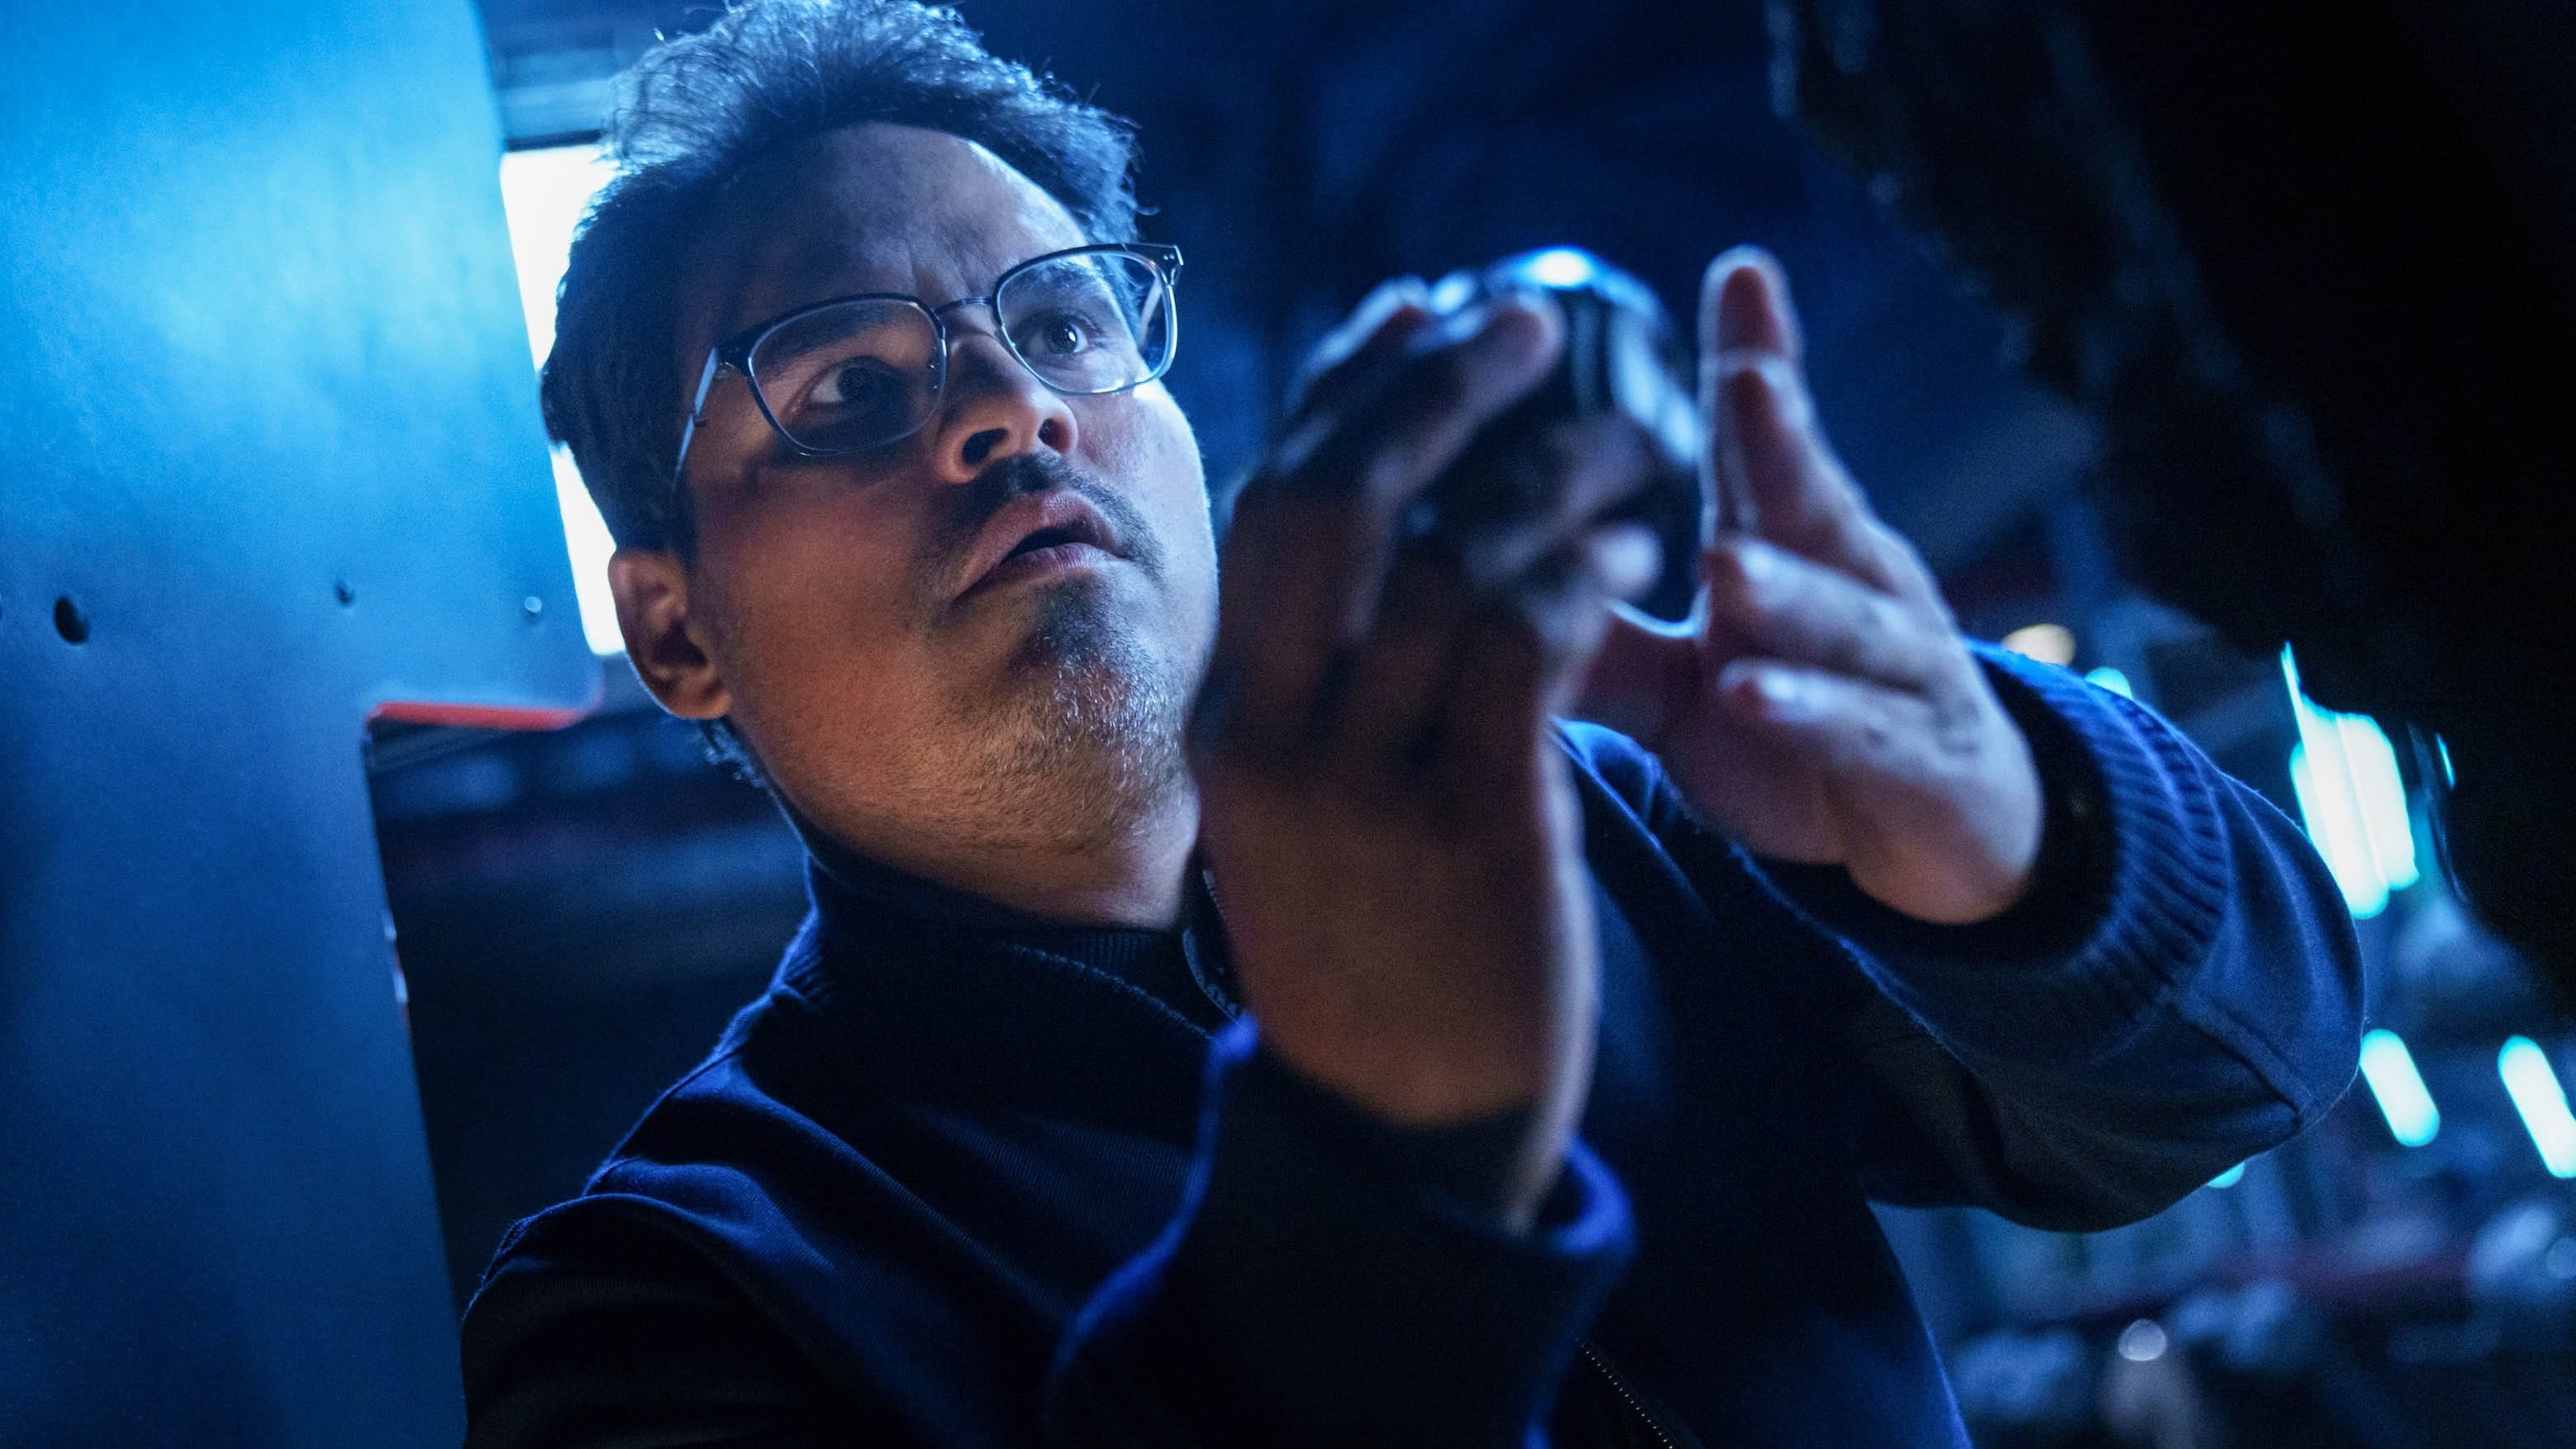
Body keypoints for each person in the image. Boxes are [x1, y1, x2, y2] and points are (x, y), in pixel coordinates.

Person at [459, 3, 2362, 1445]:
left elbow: (2241, 1072)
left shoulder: (1607, 825)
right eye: (847, 385)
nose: (1011, 409)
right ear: (676, 629)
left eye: (1065, 324)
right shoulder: (667, 1300)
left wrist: (2014, 833)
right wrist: (1377, 1167)